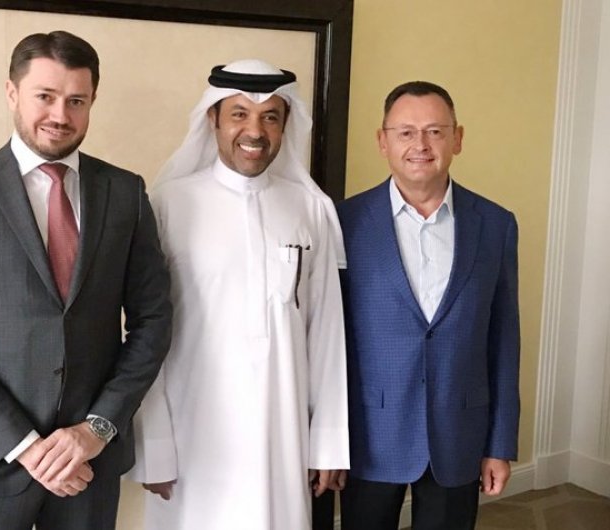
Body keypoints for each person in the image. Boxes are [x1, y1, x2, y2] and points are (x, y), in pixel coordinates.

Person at [0, 31, 171, 530]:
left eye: (76, 101)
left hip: (89, 464)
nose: (60, 115)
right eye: (44, 96)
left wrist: (96, 430)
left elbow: (153, 322)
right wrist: (26, 446)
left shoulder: (125, 192)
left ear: (92, 101)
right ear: (12, 93)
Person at [127, 59, 349, 530]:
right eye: (239, 114)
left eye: (270, 117)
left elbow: (327, 332)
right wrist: (154, 447)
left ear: (285, 126)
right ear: (213, 119)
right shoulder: (168, 204)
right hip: (194, 438)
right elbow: (146, 333)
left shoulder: (311, 208)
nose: (255, 131)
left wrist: (328, 443)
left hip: (282, 436)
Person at [334, 80, 520, 530]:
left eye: (435, 131)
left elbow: (503, 339)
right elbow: (329, 341)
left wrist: (499, 444)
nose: (420, 145)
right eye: (405, 132)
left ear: (458, 138)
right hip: (368, 434)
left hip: (459, 431)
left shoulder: (495, 225)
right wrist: (329, 444)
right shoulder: (342, 222)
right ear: (383, 141)